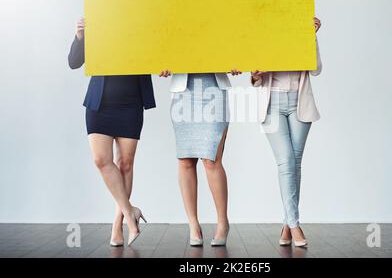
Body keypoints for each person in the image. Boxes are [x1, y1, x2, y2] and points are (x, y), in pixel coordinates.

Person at [68, 18, 156, 246]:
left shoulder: (142, 21)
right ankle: (130, 213)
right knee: (101, 160)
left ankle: (118, 225)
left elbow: (155, 52)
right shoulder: (99, 17)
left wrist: (161, 63)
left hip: (131, 103)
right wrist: (80, 36)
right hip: (100, 103)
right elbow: (74, 62)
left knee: (125, 163)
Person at [250, 17, 322, 247]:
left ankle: (286, 223)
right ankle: (294, 225)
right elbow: (254, 77)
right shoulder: (264, 30)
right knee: (286, 161)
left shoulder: (302, 30)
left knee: (295, 163)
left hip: (300, 102)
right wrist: (255, 72)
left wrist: (312, 36)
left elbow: (317, 68)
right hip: (272, 103)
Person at [159, 69, 241, 246]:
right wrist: (163, 62)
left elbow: (234, 44)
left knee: (211, 160)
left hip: (214, 88)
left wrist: (234, 59)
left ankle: (222, 222)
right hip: (183, 92)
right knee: (185, 159)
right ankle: (193, 224)